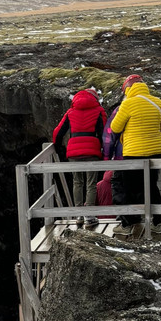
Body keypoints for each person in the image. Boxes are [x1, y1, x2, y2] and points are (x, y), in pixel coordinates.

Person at [108, 73, 161, 236]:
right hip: (155, 153)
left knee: (129, 188)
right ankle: (158, 223)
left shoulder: (127, 104)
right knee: (152, 186)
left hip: (133, 152)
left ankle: (128, 224)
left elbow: (115, 128)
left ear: (128, 89)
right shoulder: (158, 103)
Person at [51, 87, 107, 228]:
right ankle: (89, 216)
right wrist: (104, 150)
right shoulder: (98, 111)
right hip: (92, 151)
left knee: (77, 182)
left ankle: (78, 215)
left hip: (74, 152)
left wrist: (57, 148)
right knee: (91, 184)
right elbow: (105, 133)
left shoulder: (71, 112)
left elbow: (58, 133)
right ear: (94, 98)